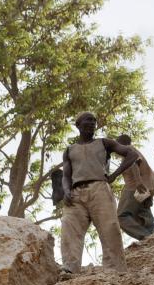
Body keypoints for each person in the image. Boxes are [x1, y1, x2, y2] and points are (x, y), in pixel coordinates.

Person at [60, 112, 139, 274]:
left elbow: (132, 154)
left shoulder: (104, 142)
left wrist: (115, 175)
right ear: (78, 125)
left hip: (100, 188)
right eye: (88, 120)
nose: (92, 123)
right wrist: (66, 190)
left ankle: (115, 270)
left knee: (109, 228)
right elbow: (66, 176)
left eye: (94, 121)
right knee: (69, 228)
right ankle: (69, 269)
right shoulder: (69, 150)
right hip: (75, 193)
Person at [115, 134, 154, 240]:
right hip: (147, 187)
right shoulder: (137, 151)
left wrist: (138, 182)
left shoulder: (127, 149)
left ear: (120, 143)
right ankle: (153, 236)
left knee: (121, 216)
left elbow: (134, 163)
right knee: (143, 213)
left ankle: (146, 236)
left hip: (135, 186)